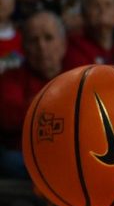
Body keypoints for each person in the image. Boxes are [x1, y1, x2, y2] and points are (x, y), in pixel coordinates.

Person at [0, 10, 66, 177]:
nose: (41, 47)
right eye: (33, 40)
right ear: (23, 48)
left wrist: (35, 107)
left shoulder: (79, 76)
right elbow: (9, 117)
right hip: (25, 157)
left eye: (48, 38)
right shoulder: (10, 78)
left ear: (63, 45)